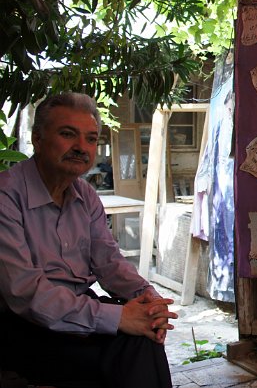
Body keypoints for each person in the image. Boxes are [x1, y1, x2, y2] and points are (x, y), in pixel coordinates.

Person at [0, 92, 178, 387]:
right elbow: (25, 294)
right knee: (130, 350)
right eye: (68, 134)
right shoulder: (7, 196)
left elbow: (110, 262)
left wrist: (150, 299)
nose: (81, 147)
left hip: (77, 312)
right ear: (37, 139)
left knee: (143, 336)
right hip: (22, 325)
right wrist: (118, 317)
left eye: (91, 138)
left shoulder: (85, 195)